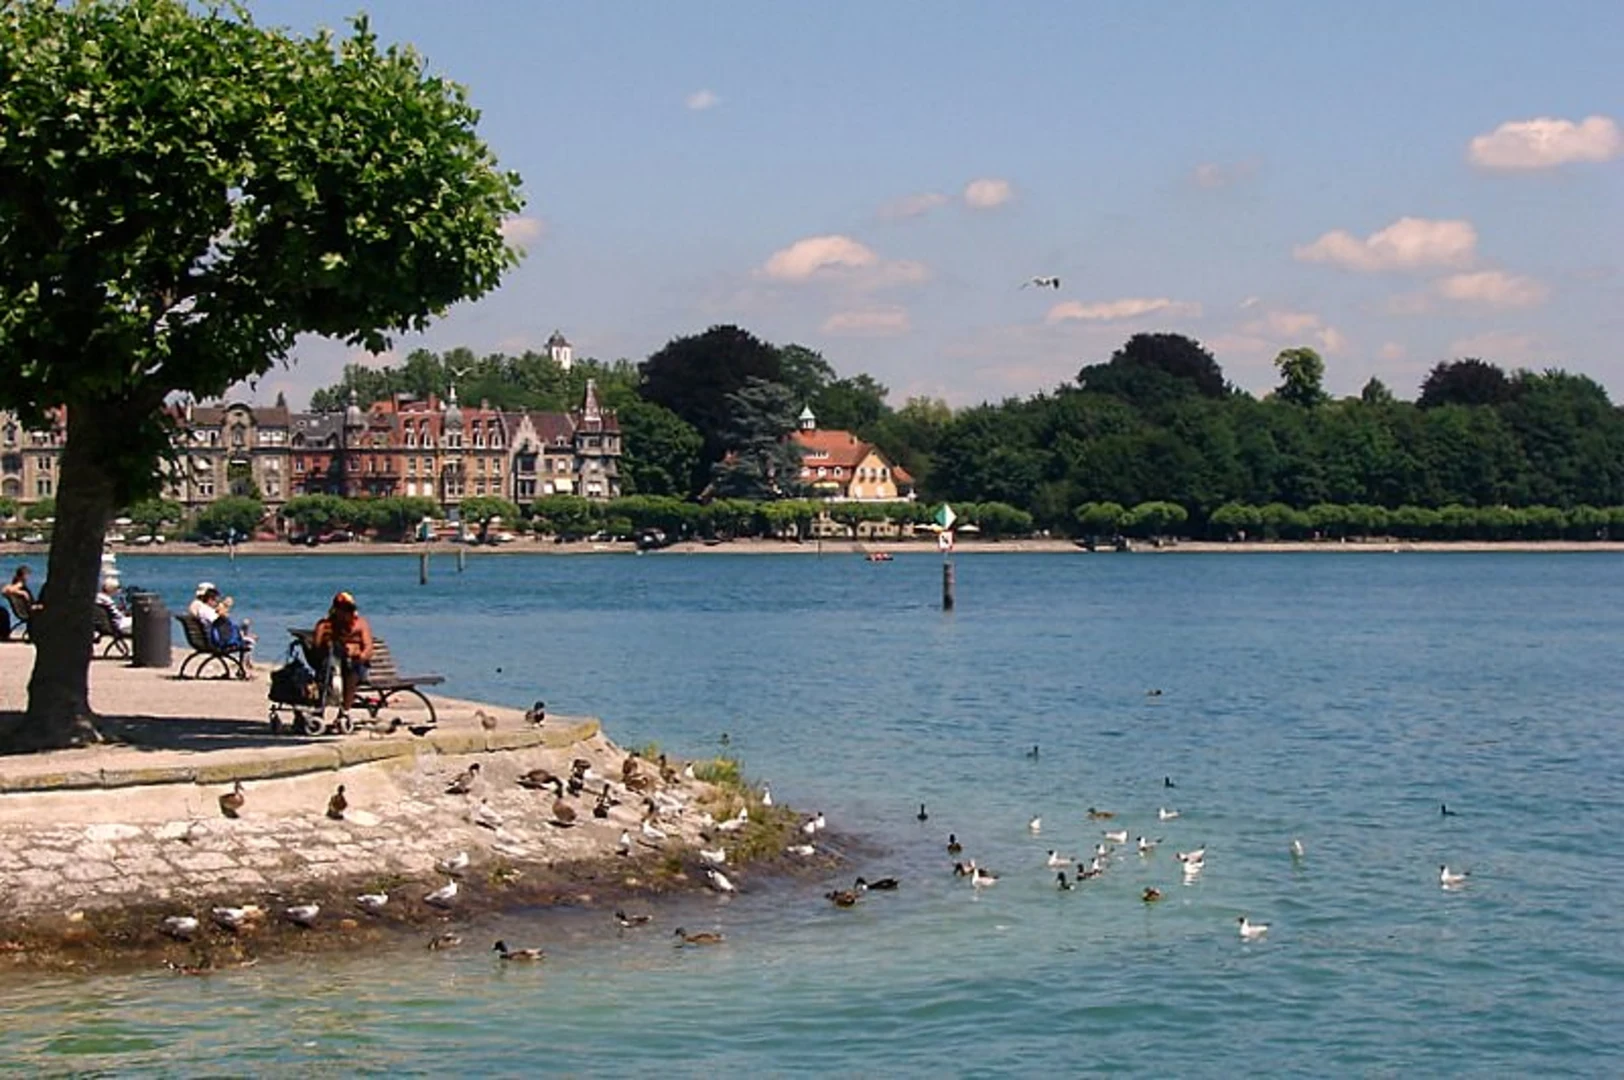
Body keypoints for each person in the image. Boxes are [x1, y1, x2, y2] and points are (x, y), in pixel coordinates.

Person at [313, 591, 373, 718]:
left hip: (356, 665)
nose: (346, 613)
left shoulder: (360, 624)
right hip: (332, 663)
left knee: (352, 671)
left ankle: (344, 710)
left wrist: (359, 654)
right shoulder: (325, 625)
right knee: (328, 669)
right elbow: (316, 648)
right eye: (343, 609)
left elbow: (368, 649)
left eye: (348, 609)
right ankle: (321, 708)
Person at [188, 582, 254, 663]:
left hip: (210, 639)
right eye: (215, 599)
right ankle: (245, 664)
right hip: (216, 642)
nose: (217, 601)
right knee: (250, 639)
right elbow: (219, 621)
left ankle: (243, 633)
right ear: (209, 598)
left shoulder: (197, 606)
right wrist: (224, 607)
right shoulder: (204, 609)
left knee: (245, 631)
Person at [2, 565, 39, 639]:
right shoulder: (21, 588)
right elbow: (4, 591)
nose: (28, 578)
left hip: (29, 610)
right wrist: (21, 590)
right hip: (28, 612)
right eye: (27, 575)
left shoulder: (22, 588)